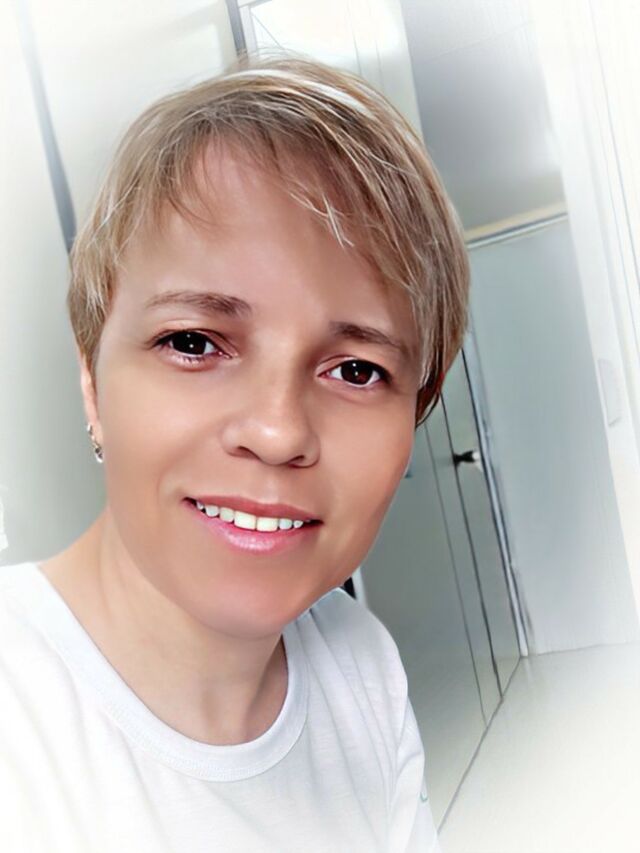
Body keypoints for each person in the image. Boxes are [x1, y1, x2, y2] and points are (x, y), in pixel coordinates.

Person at [0, 55, 468, 852]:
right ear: (92, 382)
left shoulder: (361, 663)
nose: (279, 431)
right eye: (193, 342)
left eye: (358, 370)